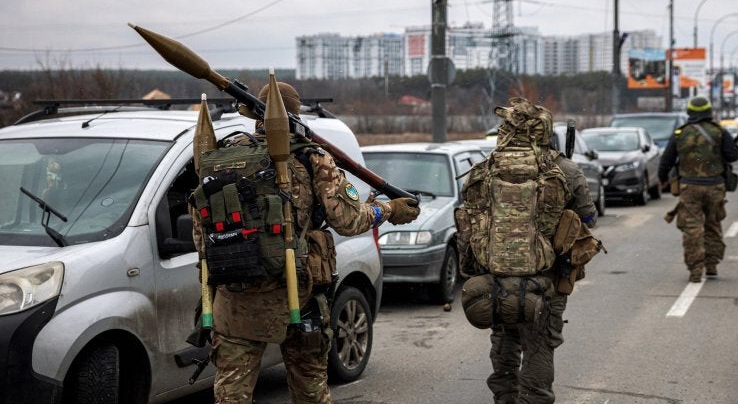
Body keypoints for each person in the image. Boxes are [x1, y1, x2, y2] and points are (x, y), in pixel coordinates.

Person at [193, 82, 420, 404]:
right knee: (310, 387)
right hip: (296, 295)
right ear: (295, 113)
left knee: (231, 393)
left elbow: (201, 232)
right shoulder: (311, 158)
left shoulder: (221, 157)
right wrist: (388, 209)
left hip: (234, 295)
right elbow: (347, 219)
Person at [468, 97, 596, 404]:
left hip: (495, 274)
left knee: (504, 339)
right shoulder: (564, 168)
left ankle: (505, 397)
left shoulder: (486, 168)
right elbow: (588, 215)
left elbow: (469, 219)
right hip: (546, 278)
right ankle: (534, 399)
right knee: (539, 344)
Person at [657, 96, 738, 283]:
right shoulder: (720, 132)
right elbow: (733, 156)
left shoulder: (680, 133)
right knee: (713, 224)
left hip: (690, 187)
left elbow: (666, 160)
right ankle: (711, 265)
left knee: (692, 229)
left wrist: (662, 179)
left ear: (690, 111)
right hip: (715, 187)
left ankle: (695, 269)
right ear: (709, 111)